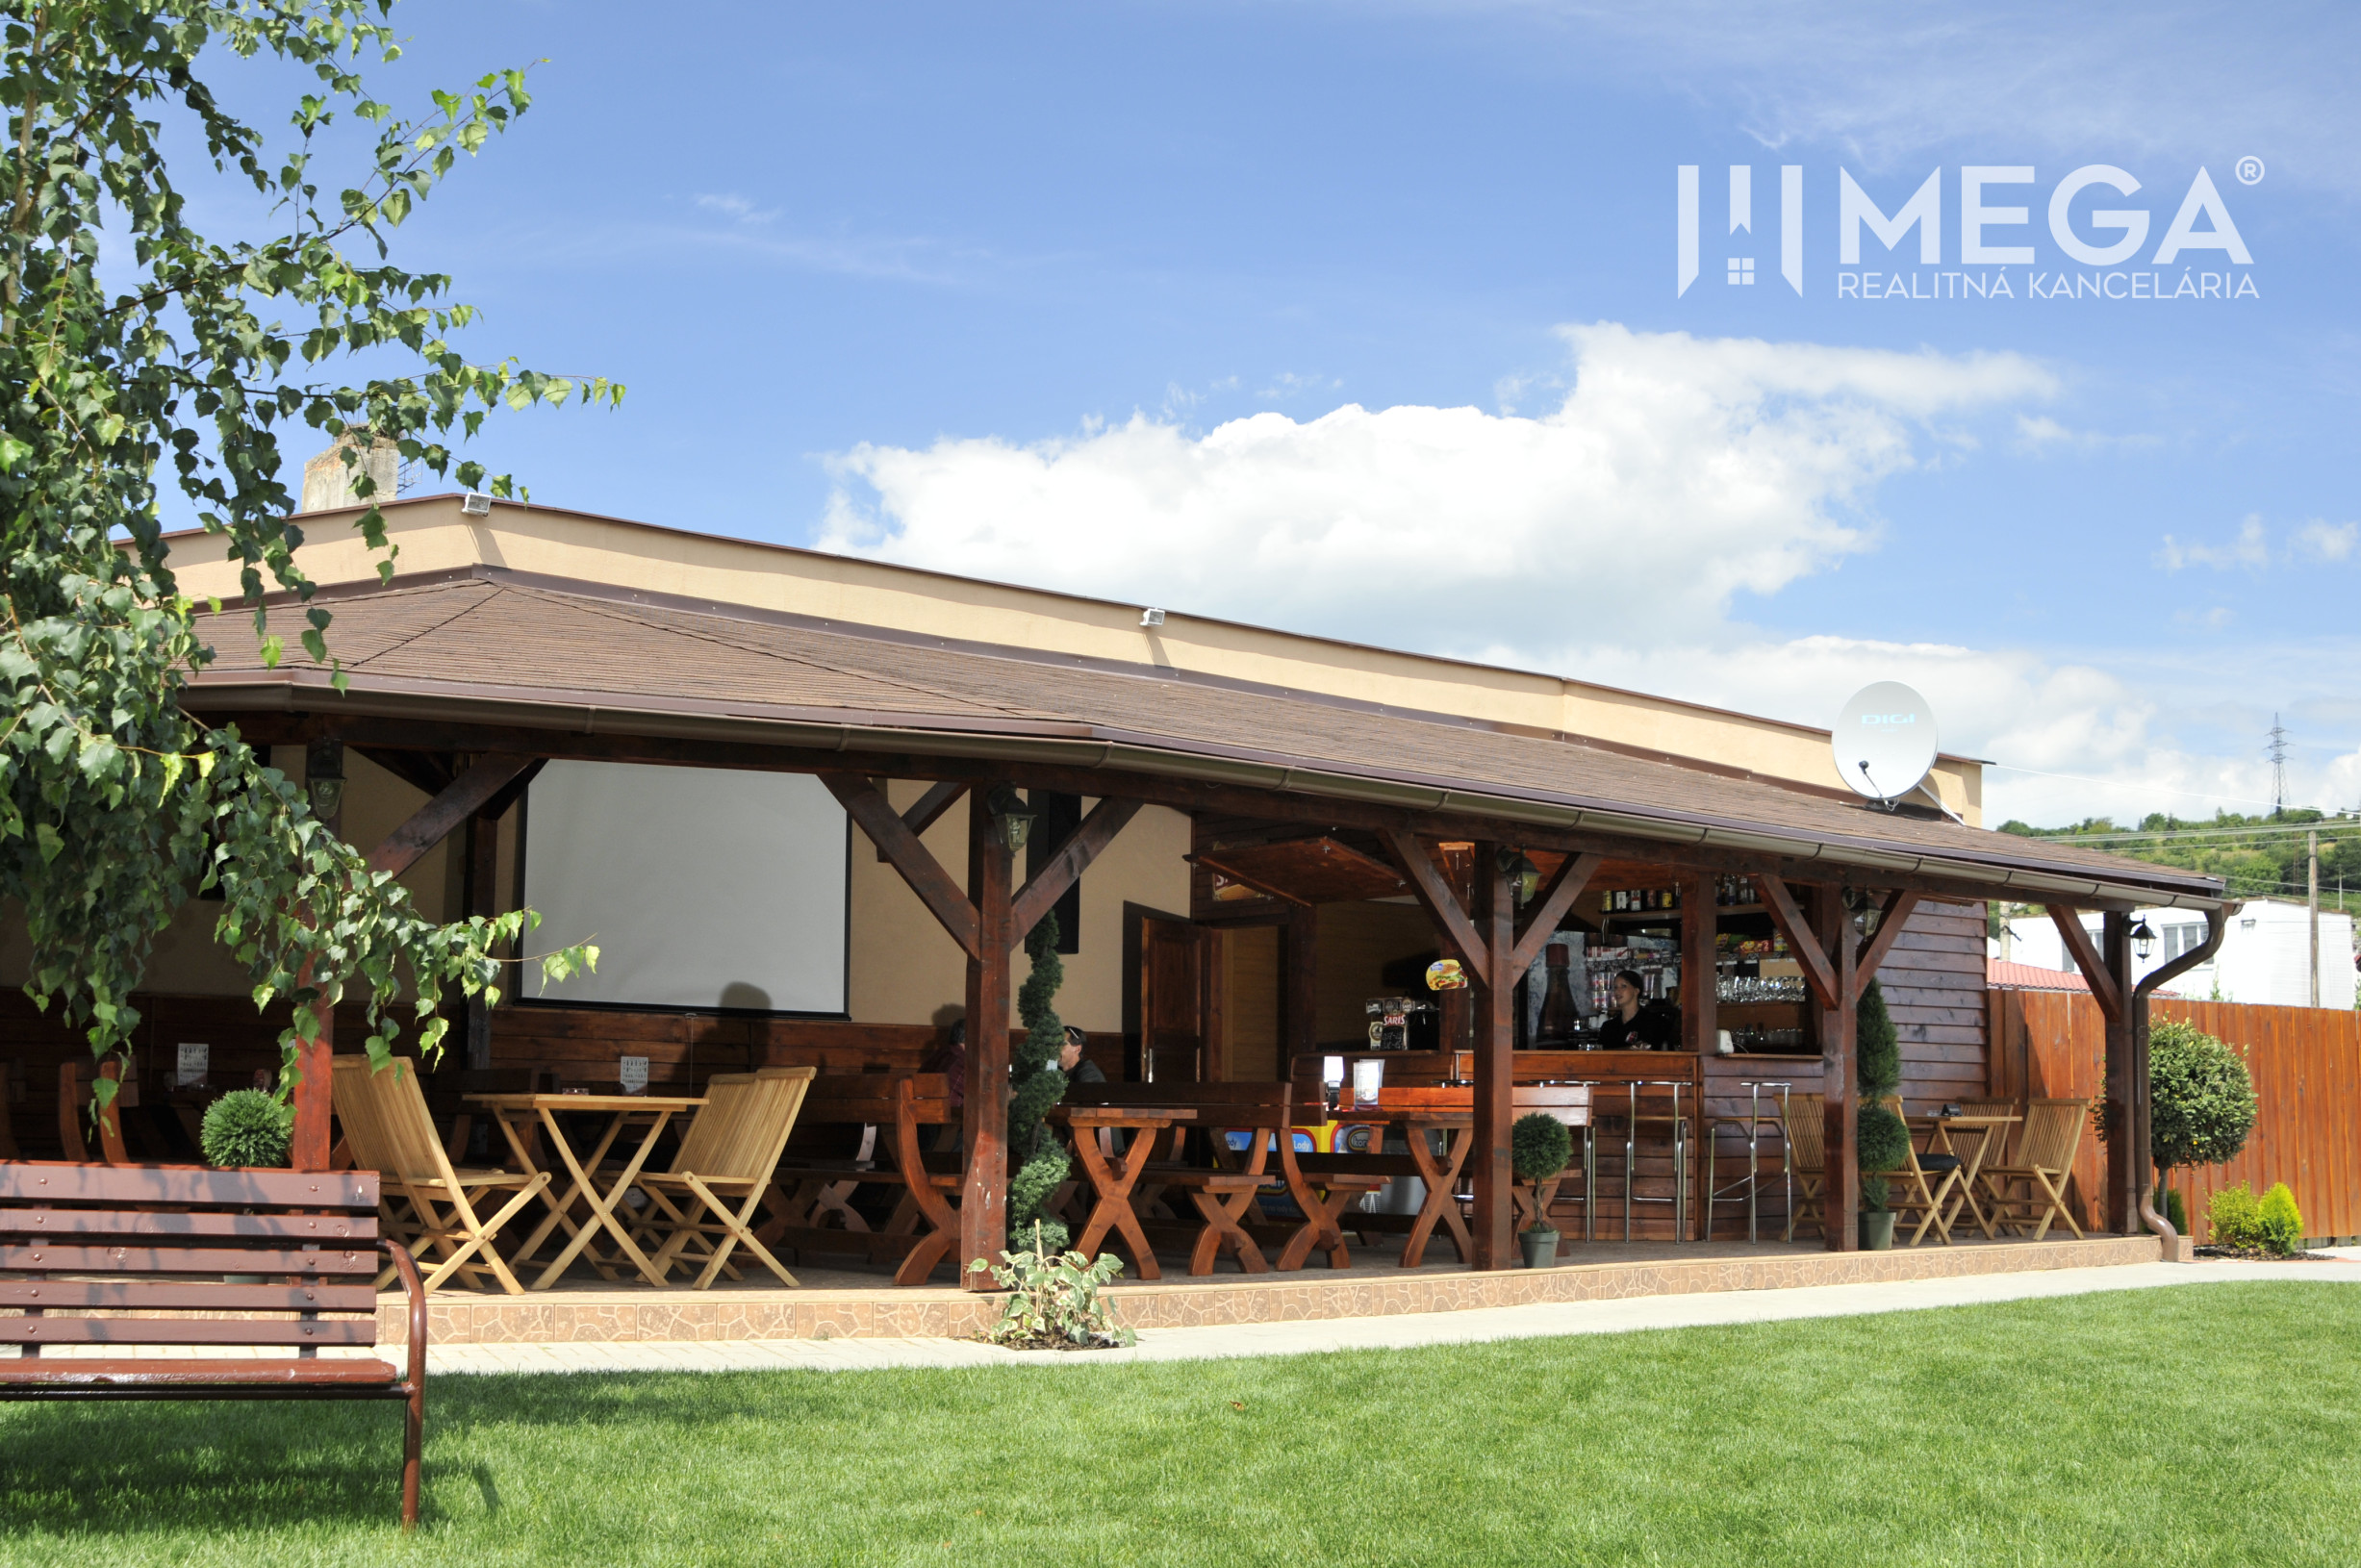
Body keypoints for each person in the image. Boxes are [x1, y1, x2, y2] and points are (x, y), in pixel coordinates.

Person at [1595, 970, 1680, 1050]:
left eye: (1623, 986)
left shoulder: (1655, 1023)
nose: (1617, 991)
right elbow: (1601, 1056)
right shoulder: (1608, 1027)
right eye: (1615, 987)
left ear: (1636, 991)